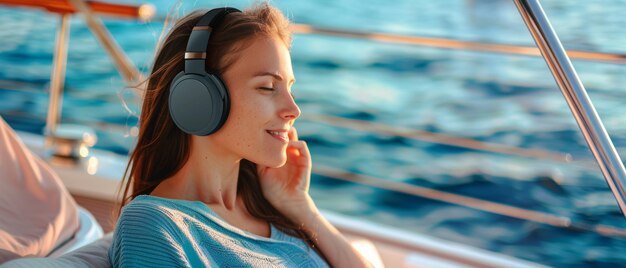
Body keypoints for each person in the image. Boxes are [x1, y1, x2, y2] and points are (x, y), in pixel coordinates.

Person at [108, 3, 372, 267]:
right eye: (268, 87)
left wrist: (301, 207)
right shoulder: (156, 225)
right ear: (199, 98)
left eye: (290, 89)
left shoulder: (271, 207)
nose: (294, 110)